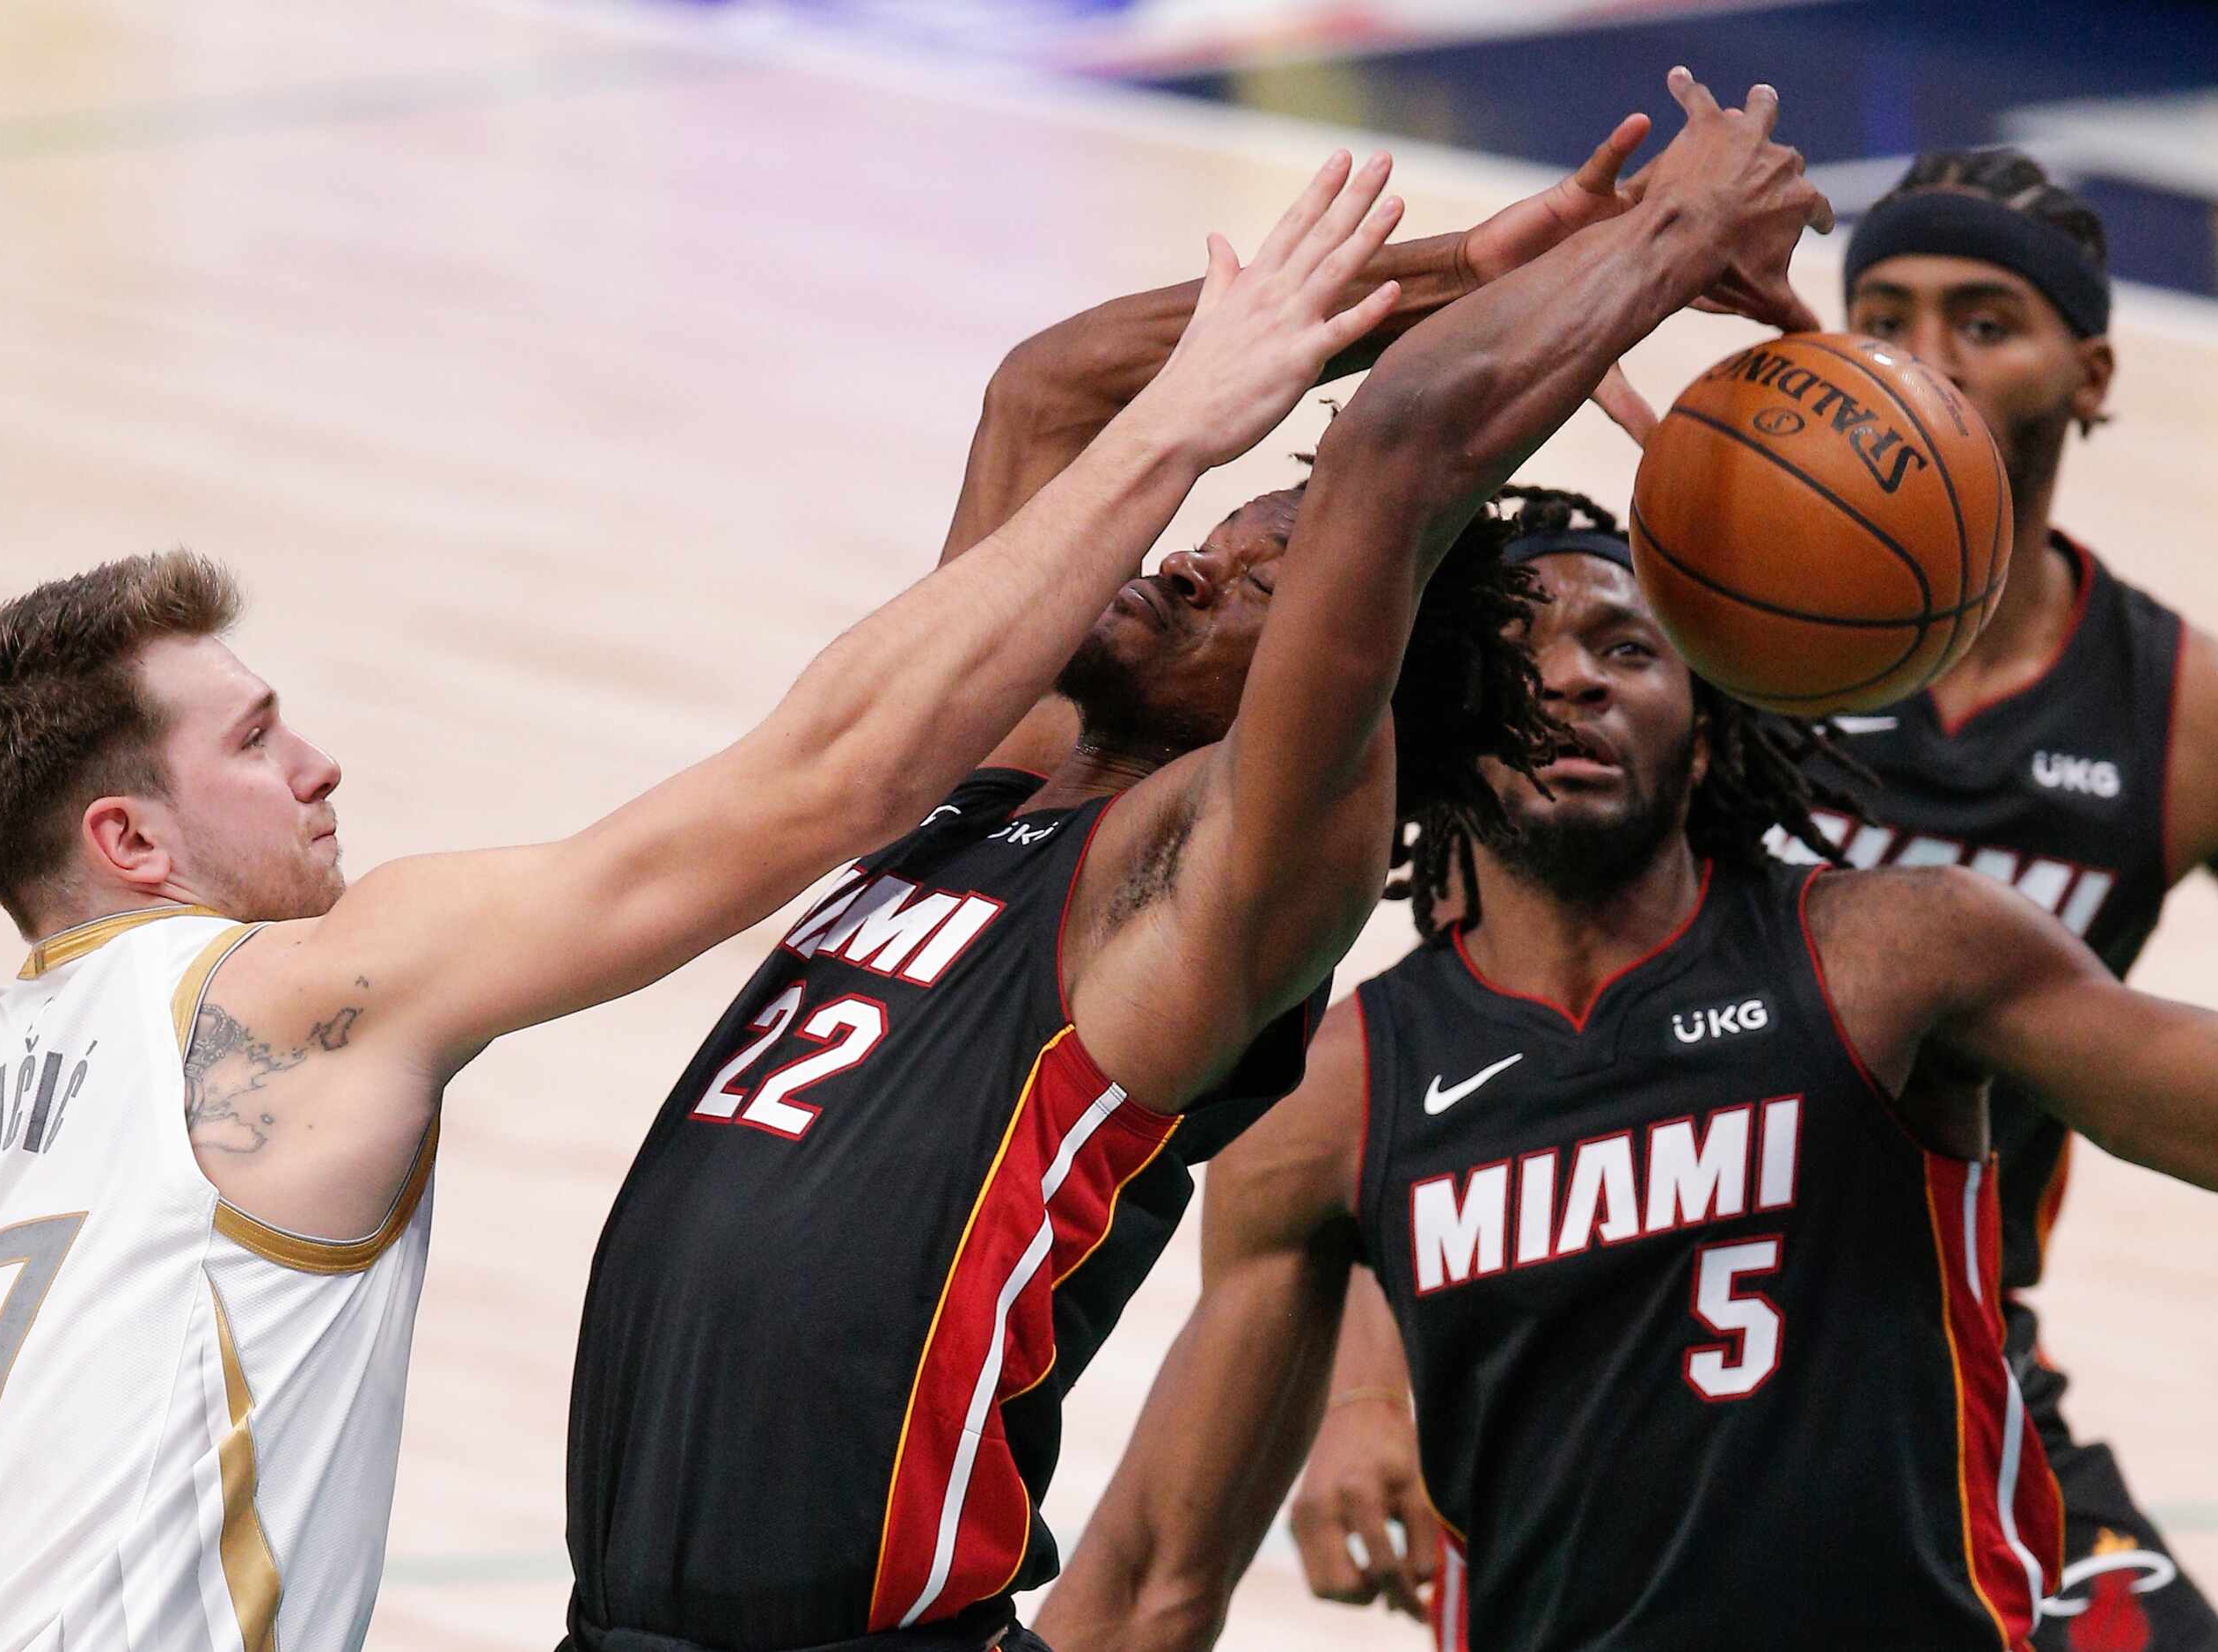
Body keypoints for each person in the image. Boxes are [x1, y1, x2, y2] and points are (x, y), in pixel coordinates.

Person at [0, 157, 1408, 1652]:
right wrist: (1185, 422)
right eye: (256, 741)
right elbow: (829, 776)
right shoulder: (289, 998)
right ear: (130, 838)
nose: (319, 765)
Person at [560, 70, 1828, 1652]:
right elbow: (1051, 392)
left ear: (1340, 669)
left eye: (1263, 578)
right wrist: (1467, 272)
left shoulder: (1222, 874)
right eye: (1227, 532)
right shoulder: (1001, 777)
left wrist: (1670, 231)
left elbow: (1402, 457)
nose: (1194, 555)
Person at [1285, 148, 2218, 1651]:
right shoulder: (1681, 634)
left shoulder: (2203, 718)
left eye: (1985, 321)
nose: (1924, 355)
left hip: (1935, 1315)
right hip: (1597, 1311)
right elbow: (1461, 1050)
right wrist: (1369, 1386)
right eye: (1884, 309)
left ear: (2094, 372)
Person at [1034, 507, 2218, 1652]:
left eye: (1629, 646)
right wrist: (1361, 1401)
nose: (1575, 678)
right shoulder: (1337, 1094)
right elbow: (1151, 1581)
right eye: (1518, 652)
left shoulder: (1899, 954)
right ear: (1444, 726)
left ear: (1704, 722)